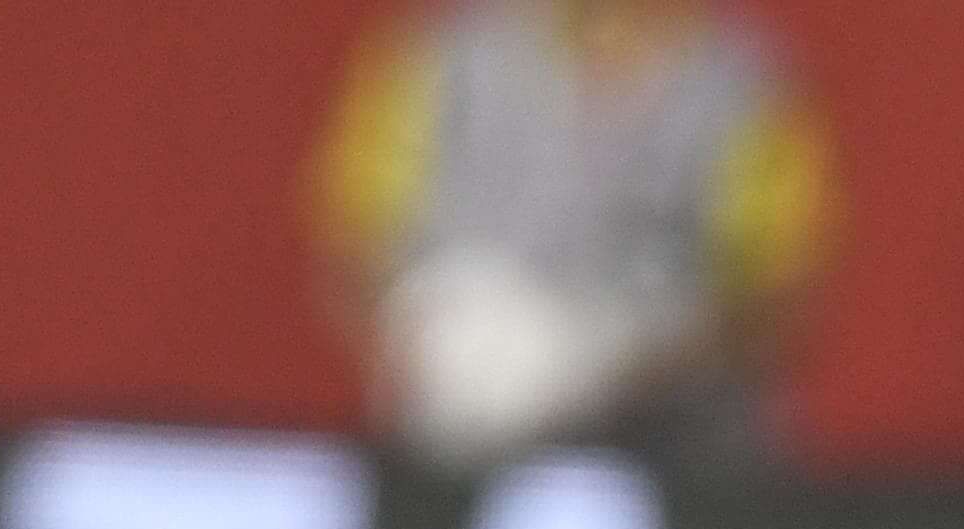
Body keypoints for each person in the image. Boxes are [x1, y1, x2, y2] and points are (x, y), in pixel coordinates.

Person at [312, 0, 835, 469]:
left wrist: (614, 363)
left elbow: (770, 298)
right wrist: (434, 347)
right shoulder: (444, 50)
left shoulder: (740, 79)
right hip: (454, 458)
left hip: (673, 465)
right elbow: (359, 244)